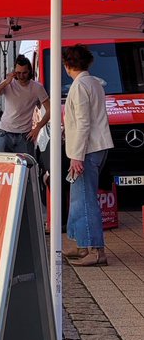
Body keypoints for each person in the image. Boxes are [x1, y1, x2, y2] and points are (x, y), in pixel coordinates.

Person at [62, 44, 113, 267]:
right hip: (96, 147)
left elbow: (83, 122)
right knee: (80, 197)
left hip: (86, 150)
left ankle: (93, 250)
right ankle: (83, 244)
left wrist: (76, 156)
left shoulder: (80, 85)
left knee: (84, 199)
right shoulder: (94, 82)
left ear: (67, 64)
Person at [0, 54, 49, 155]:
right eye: (18, 73)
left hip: (24, 135)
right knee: (3, 167)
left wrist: (38, 127)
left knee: (26, 168)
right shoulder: (9, 84)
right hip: (5, 132)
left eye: (24, 73)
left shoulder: (37, 88)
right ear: (14, 72)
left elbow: (50, 110)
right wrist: (6, 82)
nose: (21, 76)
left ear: (30, 72)